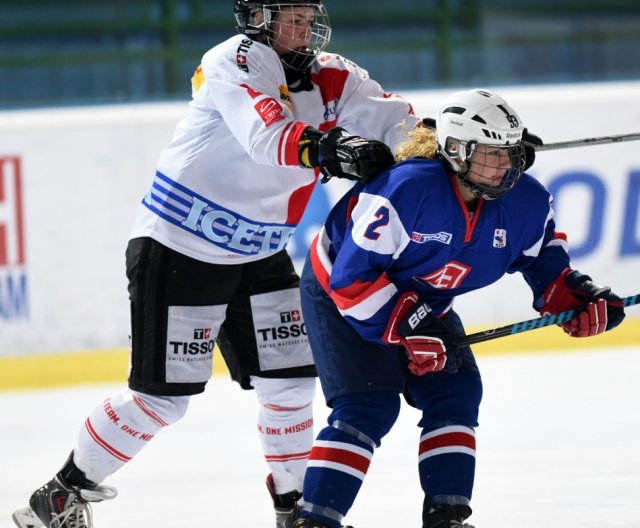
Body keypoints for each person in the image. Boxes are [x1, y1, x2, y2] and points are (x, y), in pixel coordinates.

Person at [12, 2, 421, 528]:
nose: (300, 30)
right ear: (256, 19)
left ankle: (294, 511)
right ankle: (62, 494)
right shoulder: (234, 58)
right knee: (162, 401)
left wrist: (448, 152)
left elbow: (398, 125)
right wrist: (331, 148)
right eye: (287, 18)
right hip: (182, 245)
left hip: (261, 253)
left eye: (305, 18)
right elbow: (266, 136)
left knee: (292, 384)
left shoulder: (335, 76)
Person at [293, 88, 626, 528]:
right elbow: (351, 279)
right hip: (343, 293)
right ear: (455, 151)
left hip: (423, 301)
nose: (503, 166)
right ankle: (315, 520)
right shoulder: (407, 190)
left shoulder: (525, 201)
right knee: (368, 406)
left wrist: (579, 298)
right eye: (490, 155)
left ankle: (446, 517)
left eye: (509, 153)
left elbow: (545, 266)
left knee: (457, 393)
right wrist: (407, 328)